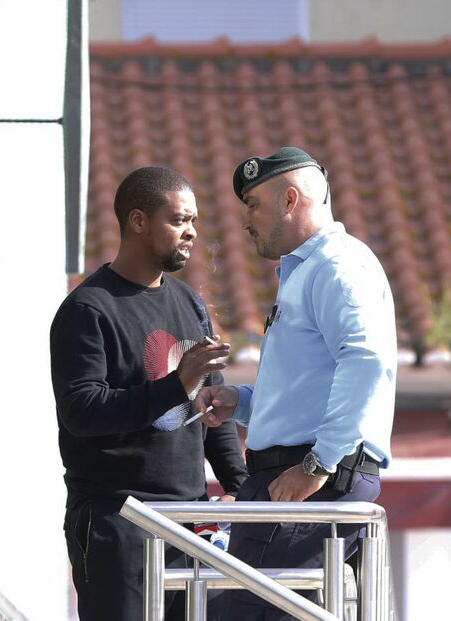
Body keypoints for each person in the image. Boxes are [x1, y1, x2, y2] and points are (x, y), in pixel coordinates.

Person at [195, 147, 396, 620]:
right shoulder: (311, 268)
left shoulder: (335, 265)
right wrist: (241, 403)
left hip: (309, 481)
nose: (246, 222)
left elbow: (366, 361)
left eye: (252, 205)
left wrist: (317, 464)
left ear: (289, 200)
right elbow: (310, 388)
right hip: (297, 479)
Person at [50, 166, 248, 620]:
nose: (192, 232)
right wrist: (176, 385)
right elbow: (82, 410)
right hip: (117, 520)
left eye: (194, 221)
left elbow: (210, 409)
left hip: (191, 522)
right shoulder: (88, 308)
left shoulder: (189, 302)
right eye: (179, 220)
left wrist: (240, 490)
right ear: (138, 221)